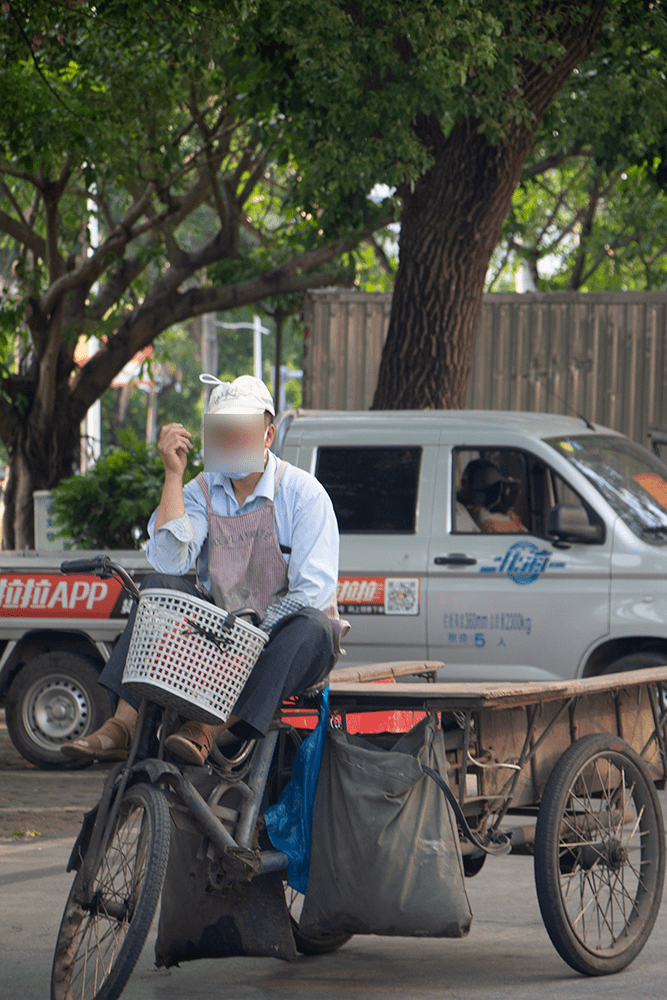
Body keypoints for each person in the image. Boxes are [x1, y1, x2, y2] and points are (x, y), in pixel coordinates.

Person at [61, 374, 341, 766]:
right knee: (159, 586)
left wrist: (250, 640)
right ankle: (122, 725)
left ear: (267, 434)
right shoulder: (203, 489)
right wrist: (173, 474)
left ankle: (208, 729)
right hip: (222, 634)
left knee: (312, 624)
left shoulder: (303, 494)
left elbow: (312, 590)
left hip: (281, 641)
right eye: (222, 431)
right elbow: (169, 561)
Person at [457, 459, 527, 534]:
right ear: (464, 483)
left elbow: (518, 521)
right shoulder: (458, 512)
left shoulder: (493, 507)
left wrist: (512, 526)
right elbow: (485, 527)